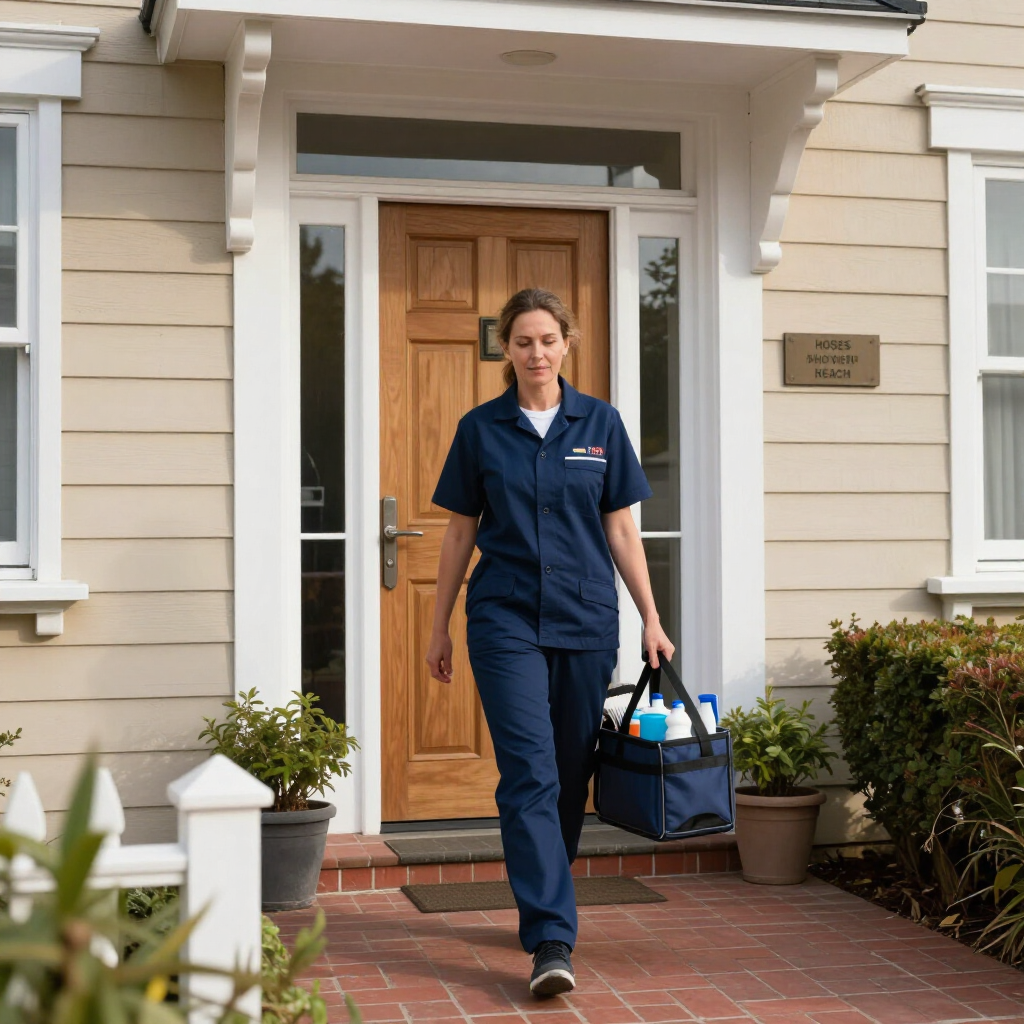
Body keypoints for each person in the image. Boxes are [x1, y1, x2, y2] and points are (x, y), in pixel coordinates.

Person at [426, 288, 674, 997]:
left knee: (568, 778)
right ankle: (550, 938)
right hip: (504, 619)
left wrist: (651, 618)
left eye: (547, 340)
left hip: (586, 618)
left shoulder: (600, 423)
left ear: (567, 343)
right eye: (523, 341)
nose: (536, 353)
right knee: (530, 773)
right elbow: (460, 532)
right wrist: (438, 624)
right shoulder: (482, 429)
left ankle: (545, 891)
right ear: (506, 349)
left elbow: (622, 530)